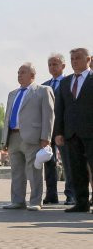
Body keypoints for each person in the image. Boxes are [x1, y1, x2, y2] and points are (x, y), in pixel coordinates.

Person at [0, 63, 54, 211]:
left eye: (23, 72)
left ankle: (36, 201)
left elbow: (48, 116)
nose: (19, 75)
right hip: (13, 136)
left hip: (33, 137)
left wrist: (46, 137)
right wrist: (4, 139)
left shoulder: (43, 91)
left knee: (34, 170)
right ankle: (17, 201)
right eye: (18, 72)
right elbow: (7, 117)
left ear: (32, 75)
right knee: (16, 171)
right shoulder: (13, 93)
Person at [55, 48, 92, 213]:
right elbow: (60, 109)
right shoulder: (65, 82)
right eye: (72, 59)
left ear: (88, 59)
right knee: (77, 170)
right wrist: (58, 132)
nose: (74, 61)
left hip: (91, 132)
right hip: (71, 133)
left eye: (78, 58)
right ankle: (81, 202)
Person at [42, 53, 75, 205]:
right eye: (50, 64)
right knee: (49, 162)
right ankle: (51, 195)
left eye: (55, 64)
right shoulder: (44, 86)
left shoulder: (69, 83)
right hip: (48, 129)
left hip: (64, 129)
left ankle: (71, 195)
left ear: (63, 66)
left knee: (68, 163)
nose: (52, 67)